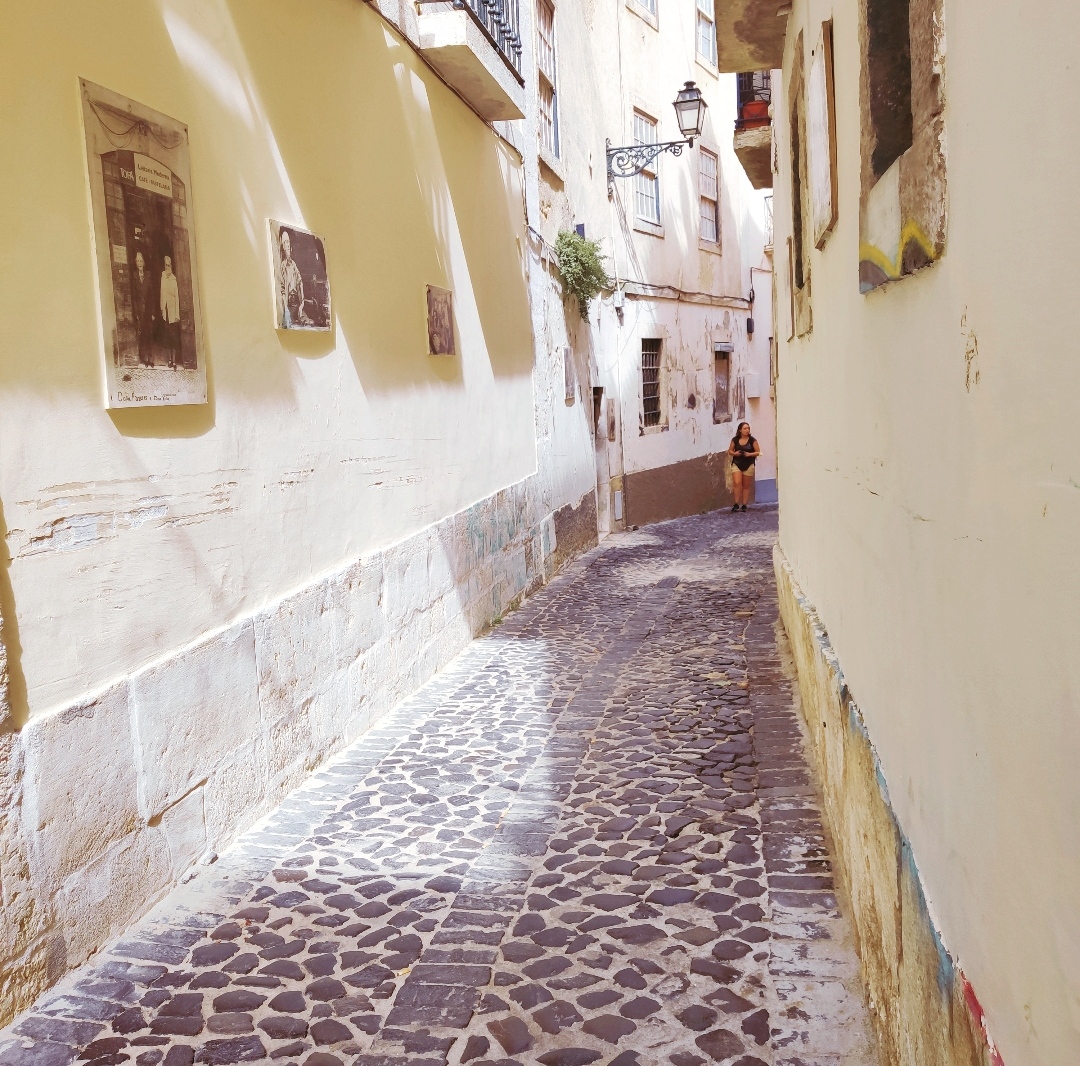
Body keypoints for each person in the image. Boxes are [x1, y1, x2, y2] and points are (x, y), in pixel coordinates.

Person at [727, 421, 760, 512]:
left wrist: (749, 454)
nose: (747, 430)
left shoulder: (752, 440)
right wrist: (735, 453)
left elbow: (758, 452)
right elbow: (730, 451)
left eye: (748, 428)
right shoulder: (735, 440)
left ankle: (744, 504)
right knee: (737, 482)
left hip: (749, 464)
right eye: (745, 428)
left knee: (746, 485)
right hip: (737, 463)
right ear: (740, 430)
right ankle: (736, 503)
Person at [278, 229, 307, 328]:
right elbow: (282, 288)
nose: (287, 245)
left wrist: (302, 303)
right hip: (289, 304)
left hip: (297, 303)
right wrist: (285, 308)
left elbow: (300, 281)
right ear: (283, 247)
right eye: (285, 242)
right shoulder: (283, 265)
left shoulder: (293, 264)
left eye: (288, 242)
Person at [131, 251, 156, 367]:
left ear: (144, 262)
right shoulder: (134, 276)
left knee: (150, 334)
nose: (139, 263)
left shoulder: (148, 275)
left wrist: (153, 312)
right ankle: (144, 358)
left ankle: (151, 358)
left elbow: (152, 295)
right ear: (136, 263)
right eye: (138, 261)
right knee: (143, 335)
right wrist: (136, 312)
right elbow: (134, 296)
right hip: (140, 311)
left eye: (141, 261)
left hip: (148, 311)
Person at [159, 255, 181, 369]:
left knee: (174, 338)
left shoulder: (173, 279)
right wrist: (161, 308)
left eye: (169, 265)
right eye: (165, 265)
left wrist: (177, 314)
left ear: (171, 266)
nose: (167, 267)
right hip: (166, 312)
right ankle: (169, 360)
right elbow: (161, 293)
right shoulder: (163, 276)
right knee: (167, 337)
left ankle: (174, 360)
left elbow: (176, 297)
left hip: (173, 313)